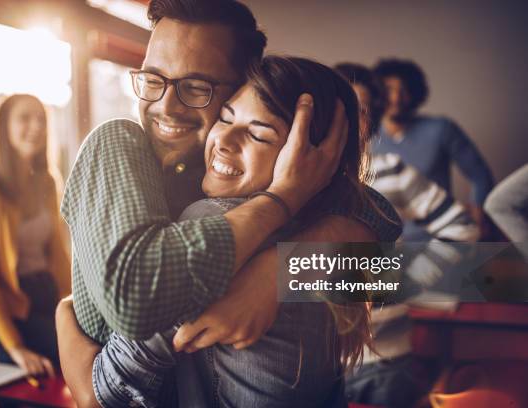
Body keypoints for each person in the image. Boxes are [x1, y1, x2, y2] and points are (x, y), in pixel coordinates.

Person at [57, 0, 401, 405]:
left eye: (197, 87)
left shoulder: (214, 215)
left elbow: (104, 395)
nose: (167, 105)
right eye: (153, 79)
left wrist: (280, 270)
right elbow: (403, 251)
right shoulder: (313, 210)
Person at [335, 63, 481, 407]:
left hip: (385, 360)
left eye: (364, 110)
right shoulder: (293, 179)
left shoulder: (392, 171)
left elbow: (461, 227)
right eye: (342, 105)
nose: (352, 119)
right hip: (314, 365)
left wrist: (412, 278)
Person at [0, 94, 71, 377]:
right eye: (25, 118)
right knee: (62, 364)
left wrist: (77, 310)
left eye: (41, 119)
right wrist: (16, 348)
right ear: (3, 127)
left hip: (47, 295)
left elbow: (59, 258)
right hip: (8, 310)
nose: (36, 126)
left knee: (92, 349)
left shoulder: (48, 181)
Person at [371, 58, 494, 240]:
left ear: (415, 93)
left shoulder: (441, 129)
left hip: (440, 235)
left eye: (404, 90)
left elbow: (481, 176)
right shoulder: (367, 137)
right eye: (389, 89)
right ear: (378, 93)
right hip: (389, 243)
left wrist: (478, 216)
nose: (396, 98)